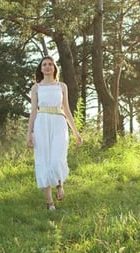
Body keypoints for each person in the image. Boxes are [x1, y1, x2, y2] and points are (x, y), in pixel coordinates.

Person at [26, 56, 82, 211]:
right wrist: (29, 133)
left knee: (57, 157)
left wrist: (76, 133)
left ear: (55, 68)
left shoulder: (62, 86)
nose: (47, 66)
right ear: (41, 68)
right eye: (44, 64)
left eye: (50, 64)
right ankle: (49, 202)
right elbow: (33, 112)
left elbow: (67, 110)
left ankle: (59, 184)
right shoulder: (36, 88)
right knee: (43, 159)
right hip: (42, 123)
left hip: (59, 123)